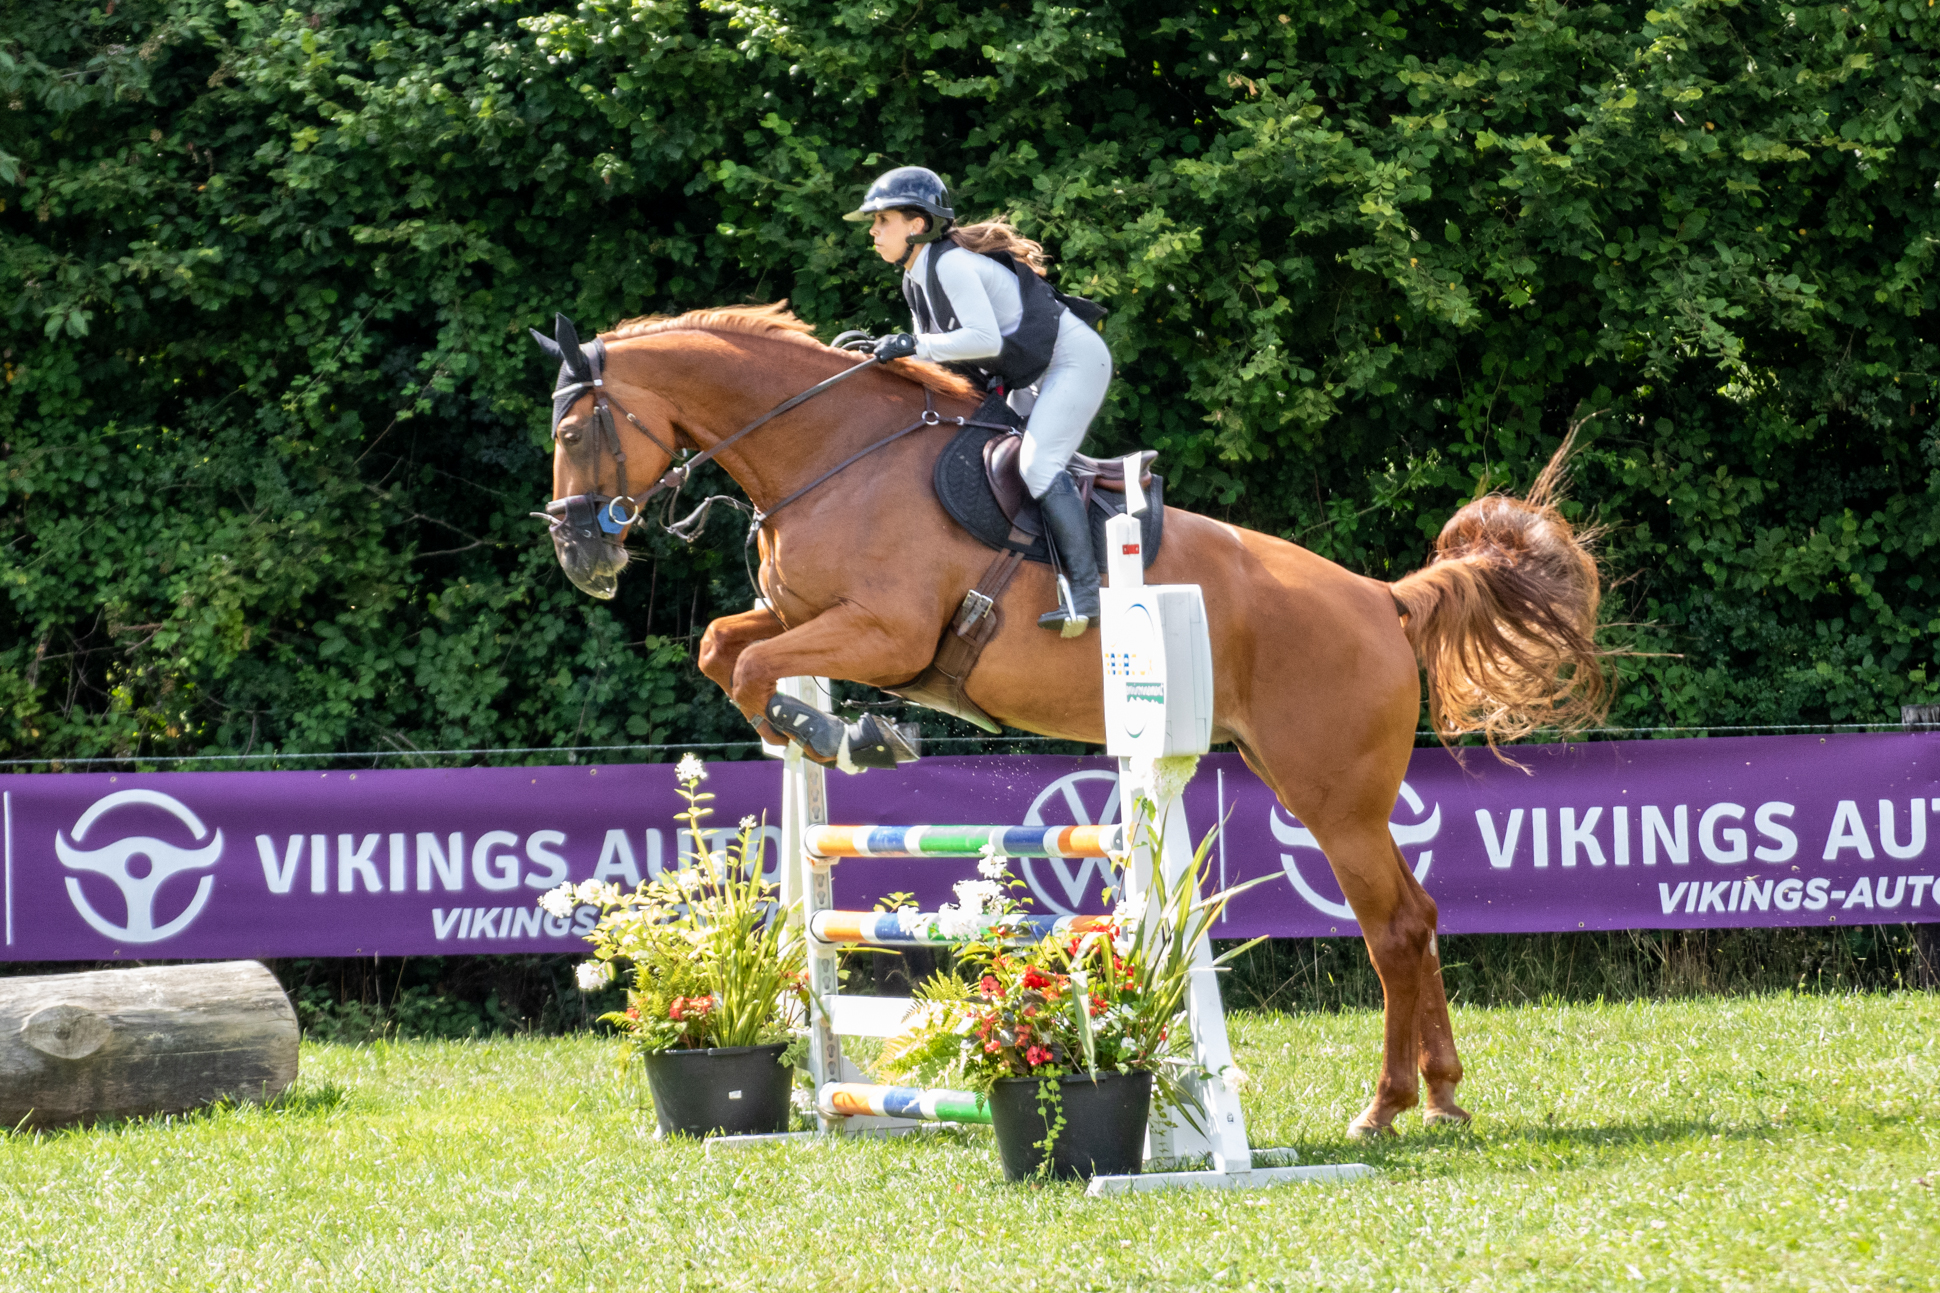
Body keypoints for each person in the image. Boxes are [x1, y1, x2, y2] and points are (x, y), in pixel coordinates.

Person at [844, 166, 1113, 637]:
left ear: (917, 224)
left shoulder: (950, 265)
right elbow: (939, 356)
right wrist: (880, 355)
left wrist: (911, 344)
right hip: (1031, 372)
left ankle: (1087, 595)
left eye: (883, 220)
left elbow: (983, 340)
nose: (873, 230)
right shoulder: (915, 278)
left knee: (1037, 465)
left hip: (1073, 362)